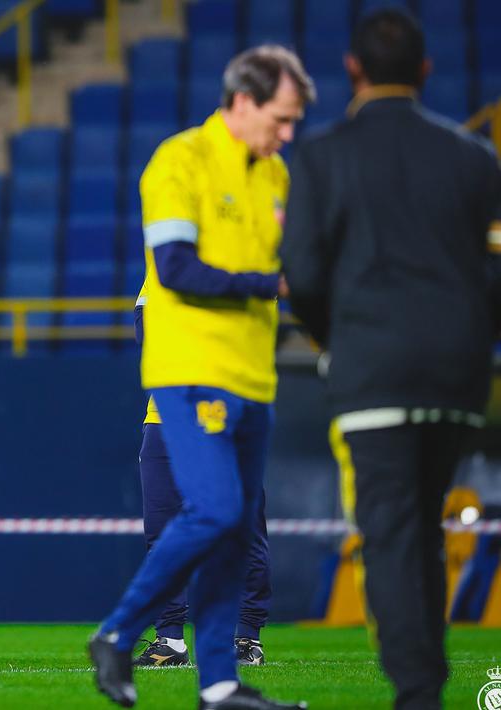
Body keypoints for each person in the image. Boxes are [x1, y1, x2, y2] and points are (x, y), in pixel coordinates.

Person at [280, 10, 501, 709]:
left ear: (352, 69)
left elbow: (303, 276)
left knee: (389, 533)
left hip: (369, 369)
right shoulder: (474, 157)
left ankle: (416, 692)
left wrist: (332, 339)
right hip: (458, 375)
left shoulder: (318, 156)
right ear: (425, 70)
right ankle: (423, 685)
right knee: (425, 528)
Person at [88, 46, 313, 710]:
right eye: (281, 117)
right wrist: (267, 285)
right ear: (242, 102)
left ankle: (217, 684)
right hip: (190, 371)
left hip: (253, 379)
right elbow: (176, 269)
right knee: (213, 510)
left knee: (237, 529)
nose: (288, 133)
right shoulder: (177, 162)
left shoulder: (274, 174)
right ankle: (118, 631)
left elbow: (292, 273)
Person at [131, 286, 272, 669]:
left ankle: (246, 636)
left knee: (241, 527)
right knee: (162, 531)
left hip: (228, 410)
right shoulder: (169, 247)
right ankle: (170, 639)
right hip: (166, 415)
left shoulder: (243, 252)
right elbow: (146, 328)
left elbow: (251, 337)